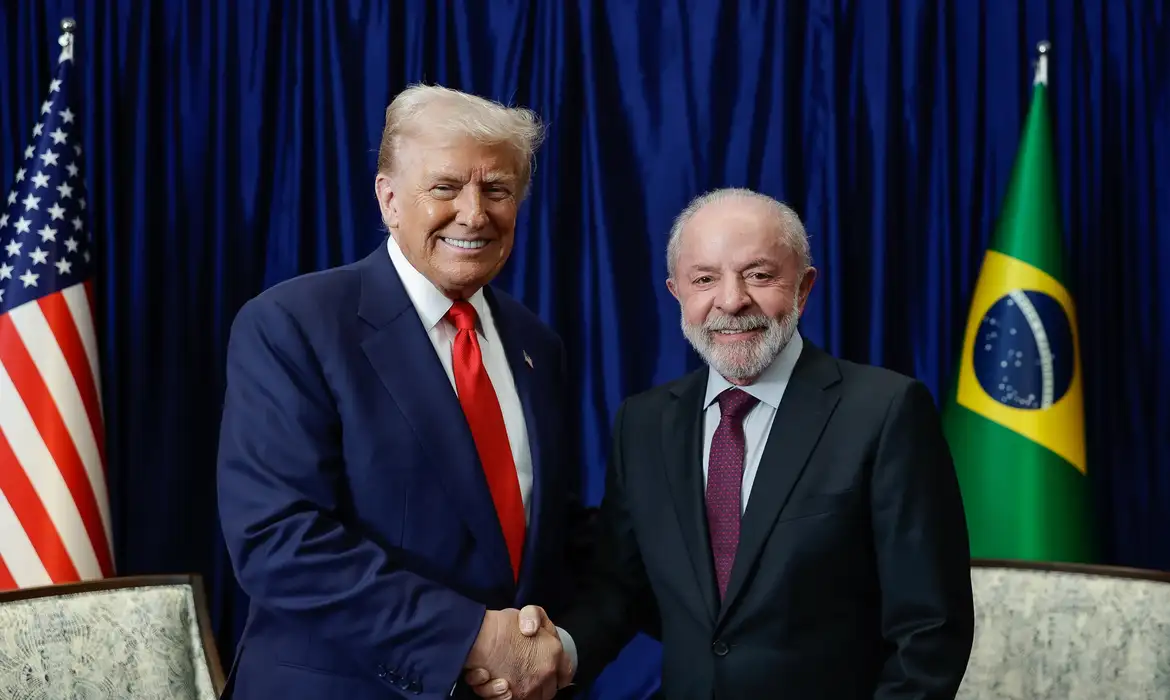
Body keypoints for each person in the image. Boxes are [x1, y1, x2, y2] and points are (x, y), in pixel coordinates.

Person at [468, 188, 976, 699]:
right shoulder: (643, 423)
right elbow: (620, 591)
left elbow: (929, 630)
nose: (731, 301)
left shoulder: (885, 411)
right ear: (677, 293)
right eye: (705, 279)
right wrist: (556, 654)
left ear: (803, 288)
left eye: (759, 275)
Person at [216, 84, 581, 700]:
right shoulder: (294, 324)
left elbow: (549, 535)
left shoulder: (534, 344)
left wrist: (554, 645)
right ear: (388, 198)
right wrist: (471, 638)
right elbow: (278, 539)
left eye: (497, 190)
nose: (474, 213)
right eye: (445, 187)